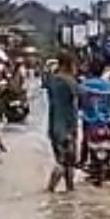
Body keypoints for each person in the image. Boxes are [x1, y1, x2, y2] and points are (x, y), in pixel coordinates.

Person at [43, 50, 80, 192]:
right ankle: (53, 190)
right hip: (68, 126)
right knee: (67, 162)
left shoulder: (53, 80)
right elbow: (78, 99)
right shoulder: (70, 81)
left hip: (54, 126)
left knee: (61, 160)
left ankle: (63, 191)